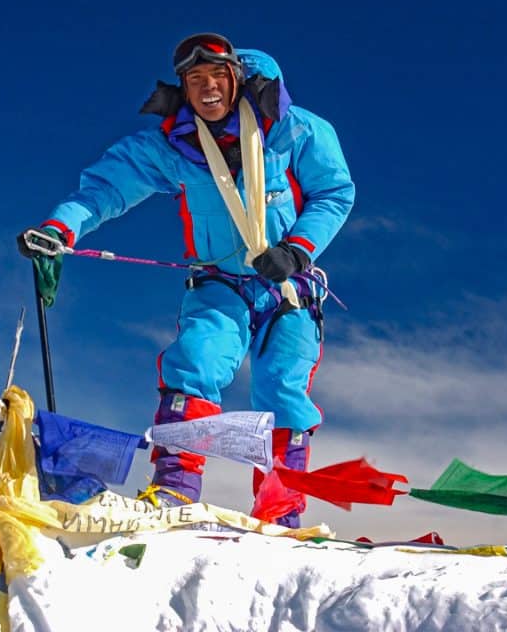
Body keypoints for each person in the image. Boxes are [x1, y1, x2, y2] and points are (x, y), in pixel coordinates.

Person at [18, 33, 354, 527]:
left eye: (217, 76)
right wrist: (58, 228)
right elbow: (106, 188)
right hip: (219, 282)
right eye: (194, 79)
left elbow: (334, 193)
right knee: (194, 362)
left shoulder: (293, 129)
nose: (206, 87)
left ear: (237, 79)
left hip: (287, 289)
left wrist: (297, 250)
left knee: (284, 387)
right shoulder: (173, 144)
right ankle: (175, 488)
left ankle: (280, 510)